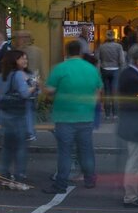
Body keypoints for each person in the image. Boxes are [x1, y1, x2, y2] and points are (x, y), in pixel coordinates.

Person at [43, 39, 102, 194]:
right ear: (81, 52)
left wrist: (52, 94)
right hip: (85, 115)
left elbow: (49, 90)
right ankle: (89, 179)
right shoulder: (91, 69)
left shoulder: (60, 68)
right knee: (86, 149)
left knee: (65, 151)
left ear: (66, 52)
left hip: (64, 116)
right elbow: (98, 90)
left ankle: (61, 183)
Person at [0, 49, 37, 190]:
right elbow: (24, 94)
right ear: (14, 60)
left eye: (26, 58)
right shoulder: (18, 75)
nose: (25, 61)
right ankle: (19, 177)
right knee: (20, 148)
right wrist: (33, 87)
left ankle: (5, 177)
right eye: (22, 59)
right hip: (18, 115)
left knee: (7, 148)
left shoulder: (2, 76)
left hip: (5, 115)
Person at [117, 45, 138, 208]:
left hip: (131, 124)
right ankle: (131, 196)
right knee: (135, 162)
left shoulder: (129, 74)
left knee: (135, 161)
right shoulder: (133, 78)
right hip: (135, 126)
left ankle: (132, 193)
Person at [97, 33, 126, 120]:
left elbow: (98, 59)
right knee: (114, 92)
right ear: (114, 37)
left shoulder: (101, 47)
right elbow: (122, 60)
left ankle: (107, 114)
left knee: (107, 92)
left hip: (104, 69)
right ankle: (115, 114)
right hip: (115, 69)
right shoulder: (118, 46)